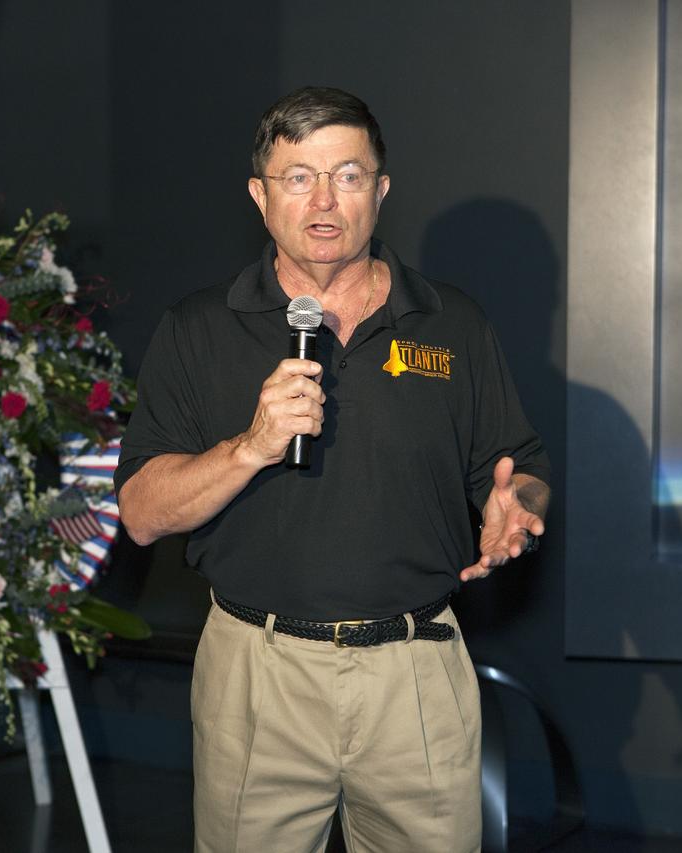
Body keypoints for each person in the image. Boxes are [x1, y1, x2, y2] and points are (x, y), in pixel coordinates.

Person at [114, 86, 550, 852]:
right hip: (258, 673)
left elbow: (522, 468)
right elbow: (143, 512)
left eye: (347, 175)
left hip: (415, 674)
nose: (323, 200)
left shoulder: (452, 323)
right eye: (297, 177)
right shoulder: (197, 328)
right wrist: (249, 444)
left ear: (380, 192)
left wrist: (517, 505)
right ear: (259, 195)